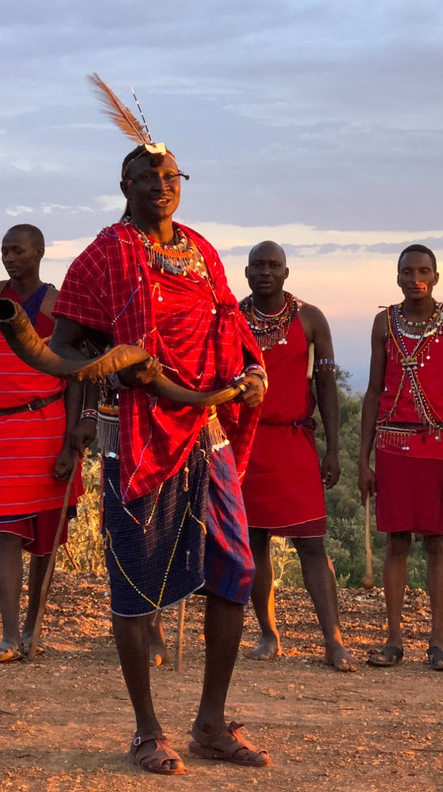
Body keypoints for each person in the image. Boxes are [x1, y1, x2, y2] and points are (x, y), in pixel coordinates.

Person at [50, 142, 271, 774]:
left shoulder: (199, 249)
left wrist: (252, 369)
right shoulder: (102, 257)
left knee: (235, 567)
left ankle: (210, 722)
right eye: (147, 176)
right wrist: (117, 364)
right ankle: (148, 731)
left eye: (171, 175)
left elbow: (229, 322)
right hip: (137, 430)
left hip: (205, 426)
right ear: (124, 184)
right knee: (136, 580)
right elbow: (64, 346)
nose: (161, 185)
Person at [0, 224, 84, 664]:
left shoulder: (58, 303)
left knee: (45, 540)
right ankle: (9, 636)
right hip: (2, 429)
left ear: (40, 253)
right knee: (7, 531)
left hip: (49, 424)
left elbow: (73, 373)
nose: (9, 258)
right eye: (4, 250)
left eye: (18, 250)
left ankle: (33, 628)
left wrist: (71, 442)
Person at [358, 244, 443, 671]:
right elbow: (373, 392)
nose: (415, 278)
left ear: (437, 276)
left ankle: (438, 641)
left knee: (437, 541)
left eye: (423, 270)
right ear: (397, 276)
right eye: (407, 271)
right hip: (392, 446)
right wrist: (363, 459)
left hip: (441, 447)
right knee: (396, 541)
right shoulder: (383, 323)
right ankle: (393, 640)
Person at [239, 241, 355, 671]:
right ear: (247, 272)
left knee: (311, 542)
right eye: (258, 265)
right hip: (247, 444)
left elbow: (326, 387)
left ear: (286, 272)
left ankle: (333, 641)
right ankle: (268, 634)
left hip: (295, 441)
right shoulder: (232, 318)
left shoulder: (310, 318)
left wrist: (333, 448)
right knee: (253, 543)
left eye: (274, 265)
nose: (265, 272)